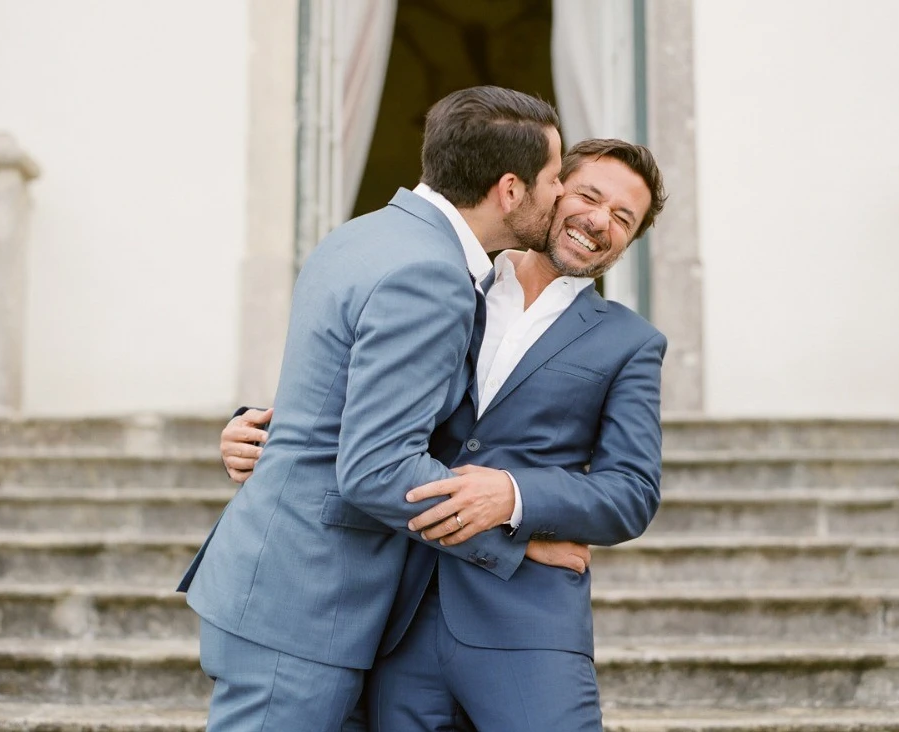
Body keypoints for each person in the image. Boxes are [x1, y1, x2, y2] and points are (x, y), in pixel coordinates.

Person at [221, 138, 669, 731]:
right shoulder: (442, 280)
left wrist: (515, 497)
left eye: (622, 218)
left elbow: (632, 492)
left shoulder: (631, 342)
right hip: (393, 609)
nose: (598, 222)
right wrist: (262, 433)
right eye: (589, 196)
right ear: (551, 188)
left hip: (527, 621)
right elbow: (364, 404)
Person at [177, 86, 584, 732]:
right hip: (306, 605)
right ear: (510, 190)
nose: (562, 193)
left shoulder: (365, 235)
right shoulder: (430, 275)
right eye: (555, 178)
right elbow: (375, 468)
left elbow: (332, 392)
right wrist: (512, 537)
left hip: (289, 588)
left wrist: (262, 427)